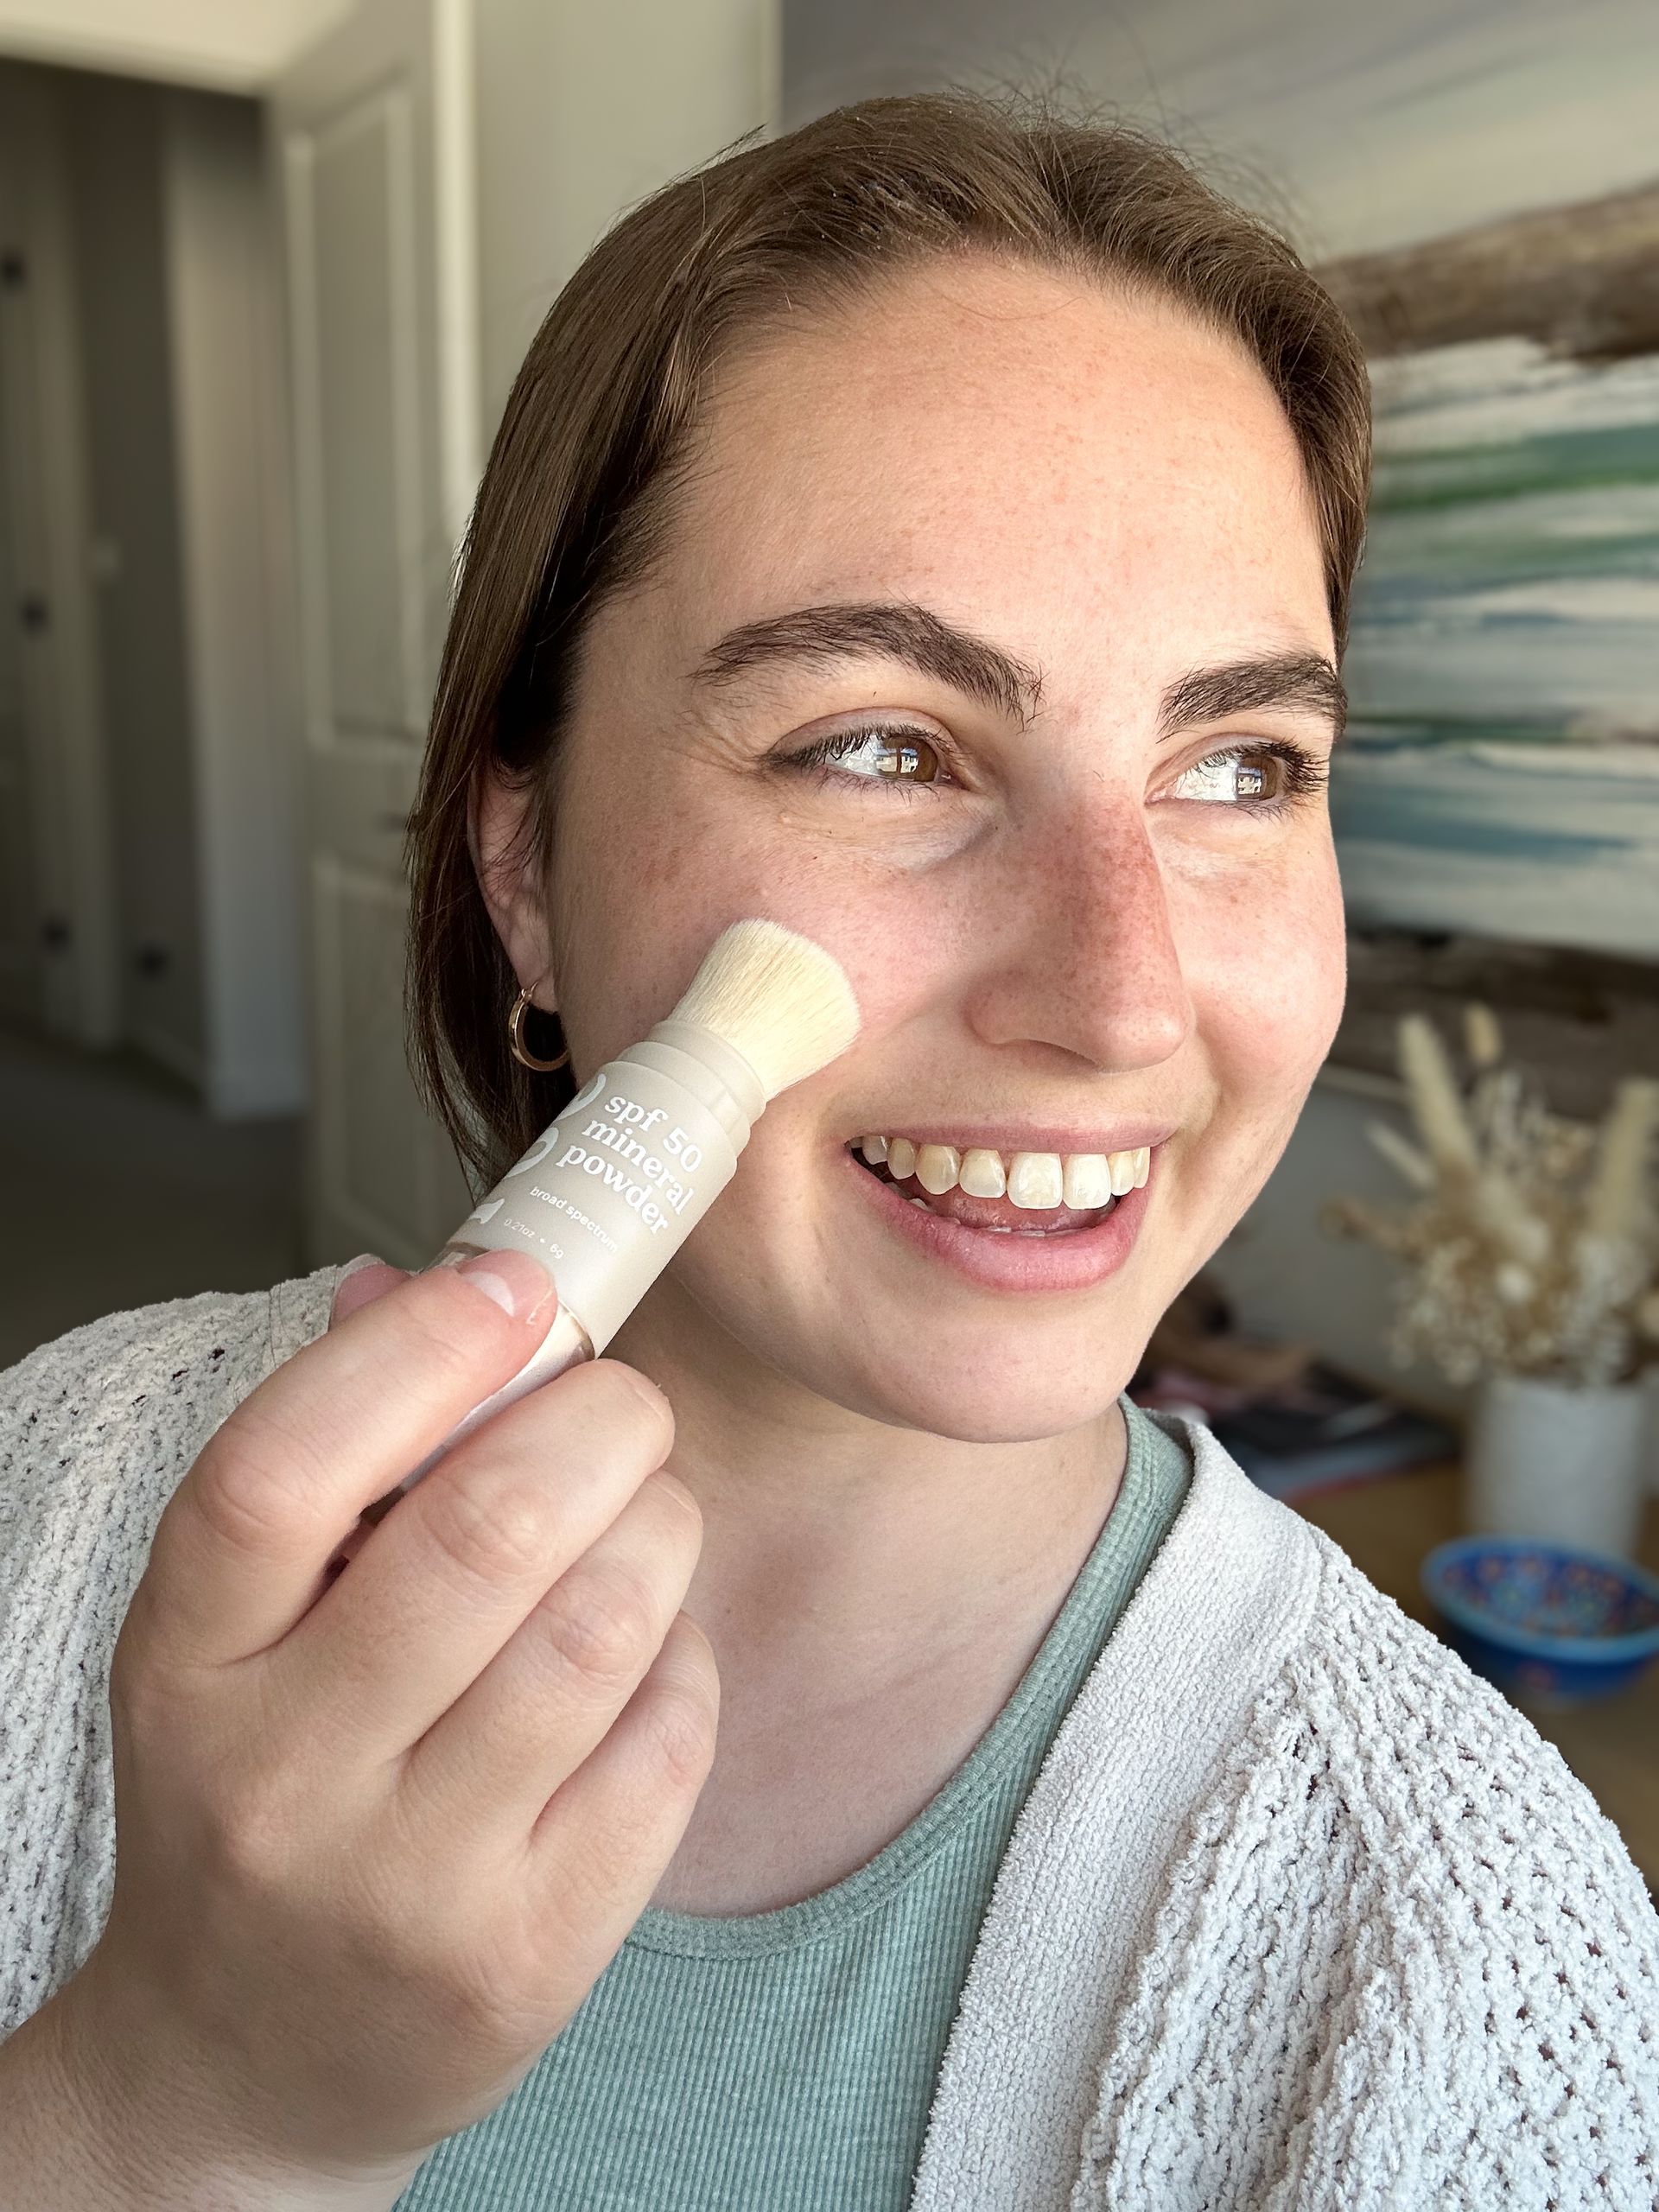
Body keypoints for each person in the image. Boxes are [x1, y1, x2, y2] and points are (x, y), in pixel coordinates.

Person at [2, 90, 1655, 2212]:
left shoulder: (1476, 1966)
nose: (1122, 997)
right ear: (524, 862)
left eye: (1244, 761)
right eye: (881, 741)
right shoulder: (50, 1505)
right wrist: (182, 2103)